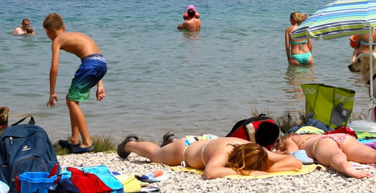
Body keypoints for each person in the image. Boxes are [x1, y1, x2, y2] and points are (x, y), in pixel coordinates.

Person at [43, 12, 107, 154]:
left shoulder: (57, 40)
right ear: (63, 27)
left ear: (47, 31)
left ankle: (86, 142)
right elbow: (96, 56)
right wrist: (99, 84)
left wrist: (52, 91)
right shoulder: (77, 35)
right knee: (72, 99)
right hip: (101, 63)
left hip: (90, 64)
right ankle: (74, 140)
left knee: (71, 101)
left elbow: (54, 68)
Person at [116, 135, 302, 179]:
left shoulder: (257, 151)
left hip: (208, 142)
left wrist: (267, 167)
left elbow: (295, 162)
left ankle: (170, 140)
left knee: (162, 151)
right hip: (187, 148)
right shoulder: (225, 153)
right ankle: (130, 144)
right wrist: (252, 172)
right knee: (156, 154)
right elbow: (210, 172)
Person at [276, 132, 376, 179]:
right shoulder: (310, 133)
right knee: (373, 154)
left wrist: (280, 151)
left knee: (334, 155)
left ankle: (346, 167)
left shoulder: (289, 139)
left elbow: (295, 153)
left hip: (321, 144)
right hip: (342, 137)